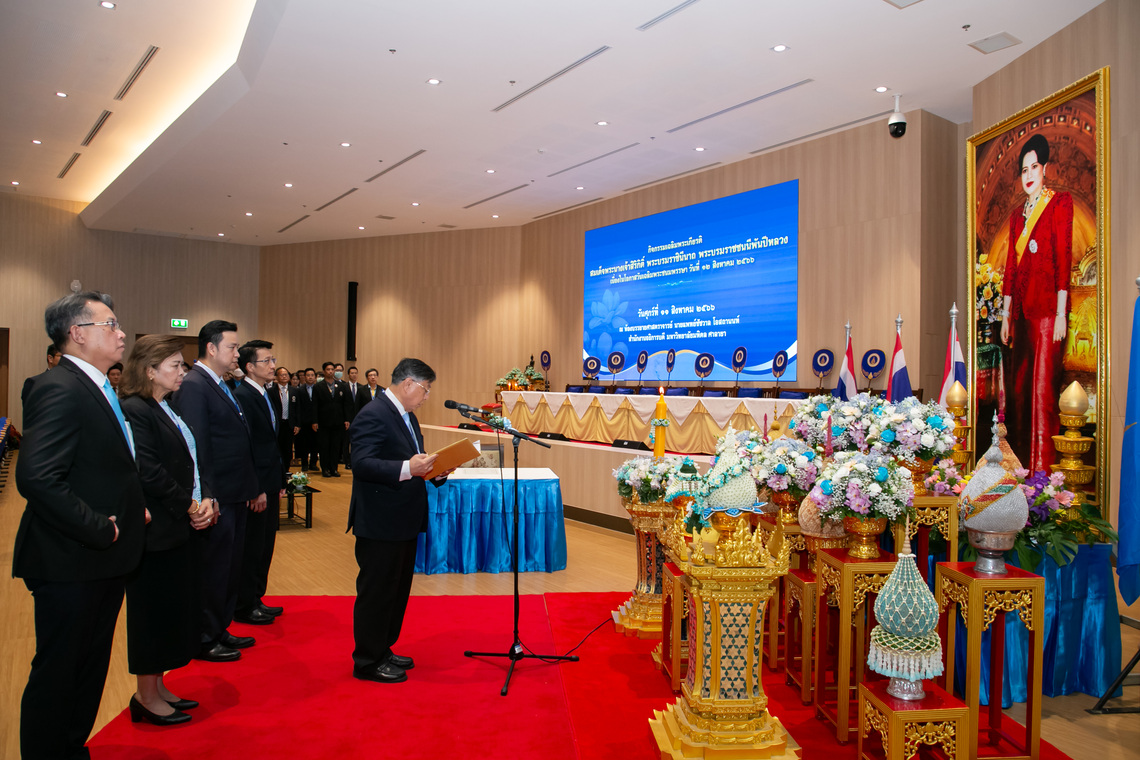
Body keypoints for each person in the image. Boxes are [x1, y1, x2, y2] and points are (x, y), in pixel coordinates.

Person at [14, 292, 146, 758]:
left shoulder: (98, 386)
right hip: (71, 558)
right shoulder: (58, 386)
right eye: (110, 324)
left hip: (101, 560)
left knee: (88, 669)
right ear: (76, 333)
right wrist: (100, 528)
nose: (121, 333)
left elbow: (101, 466)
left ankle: (71, 748)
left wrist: (131, 509)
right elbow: (36, 477)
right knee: (61, 673)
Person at [119, 335, 217, 726]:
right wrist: (190, 505)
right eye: (175, 365)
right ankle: (145, 696)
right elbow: (149, 471)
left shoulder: (165, 406)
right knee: (152, 614)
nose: (183, 372)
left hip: (176, 525)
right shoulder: (135, 409)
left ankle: (158, 686)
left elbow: (190, 461)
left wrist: (204, 499)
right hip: (156, 530)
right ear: (149, 370)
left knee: (170, 611)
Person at [348, 358, 452, 683]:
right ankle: (367, 661)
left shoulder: (408, 416)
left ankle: (383, 648)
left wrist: (436, 470)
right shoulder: (374, 414)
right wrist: (409, 468)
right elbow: (362, 464)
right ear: (408, 384)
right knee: (377, 591)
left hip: (403, 519)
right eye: (425, 389)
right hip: (380, 521)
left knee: (396, 590)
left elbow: (414, 462)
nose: (427, 396)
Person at [173, 320, 260, 662]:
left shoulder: (220, 383)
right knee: (213, 569)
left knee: (229, 567)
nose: (237, 354)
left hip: (234, 492)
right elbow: (198, 448)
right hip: (217, 495)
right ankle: (204, 637)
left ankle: (219, 627)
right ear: (211, 348)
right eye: (232, 347)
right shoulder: (196, 385)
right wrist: (207, 495)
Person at [1000, 133, 1073, 473]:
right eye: (1023, 170)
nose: (1028, 175)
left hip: (1047, 315)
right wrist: (1005, 316)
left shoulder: (1059, 204)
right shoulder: (1017, 216)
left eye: (1034, 167)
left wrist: (1060, 313)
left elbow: (1063, 257)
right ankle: (1019, 473)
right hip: (1021, 316)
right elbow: (1010, 269)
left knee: (1042, 394)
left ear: (1045, 169)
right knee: (1019, 395)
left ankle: (1042, 477)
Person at [233, 340, 287, 625]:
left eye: (273, 359)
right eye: (266, 361)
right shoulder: (243, 396)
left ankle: (256, 597)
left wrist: (279, 479)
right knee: (253, 546)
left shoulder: (266, 392)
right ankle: (244, 604)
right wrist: (255, 488)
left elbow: (272, 443)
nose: (272, 365)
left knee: (265, 544)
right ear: (249, 367)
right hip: (257, 486)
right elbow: (247, 447)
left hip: (270, 480)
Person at [314, 361, 350, 477]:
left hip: (338, 421)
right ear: (324, 371)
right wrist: (315, 421)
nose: (330, 371)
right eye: (328, 369)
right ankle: (325, 468)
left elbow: (346, 404)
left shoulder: (341, 386)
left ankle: (334, 468)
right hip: (323, 421)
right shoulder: (318, 386)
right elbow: (314, 405)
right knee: (324, 446)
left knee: (335, 446)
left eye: (332, 369)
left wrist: (346, 419)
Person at [272, 366, 300, 469]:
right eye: (281, 375)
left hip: (290, 424)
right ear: (276, 377)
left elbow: (298, 408)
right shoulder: (271, 391)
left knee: (288, 449)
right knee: (277, 447)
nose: (284, 376)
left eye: (286, 374)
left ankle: (286, 470)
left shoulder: (294, 391)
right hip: (277, 424)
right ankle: (277, 469)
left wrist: (298, 424)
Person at [296, 367, 319, 471]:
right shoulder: (299, 390)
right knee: (304, 444)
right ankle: (304, 463)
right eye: (308, 375)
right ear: (304, 377)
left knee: (315, 443)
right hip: (304, 421)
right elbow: (298, 407)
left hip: (316, 421)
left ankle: (313, 463)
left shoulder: (319, 389)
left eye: (312, 375)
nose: (310, 377)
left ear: (315, 377)